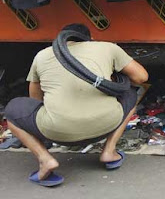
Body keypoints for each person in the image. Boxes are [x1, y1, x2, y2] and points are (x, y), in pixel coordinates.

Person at [4, 23, 148, 187]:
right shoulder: (107, 48)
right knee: (129, 93)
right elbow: (141, 77)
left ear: (60, 40)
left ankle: (45, 160)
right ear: (91, 38)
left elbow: (35, 99)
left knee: (13, 109)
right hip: (106, 125)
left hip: (57, 133)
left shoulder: (42, 55)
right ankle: (109, 151)